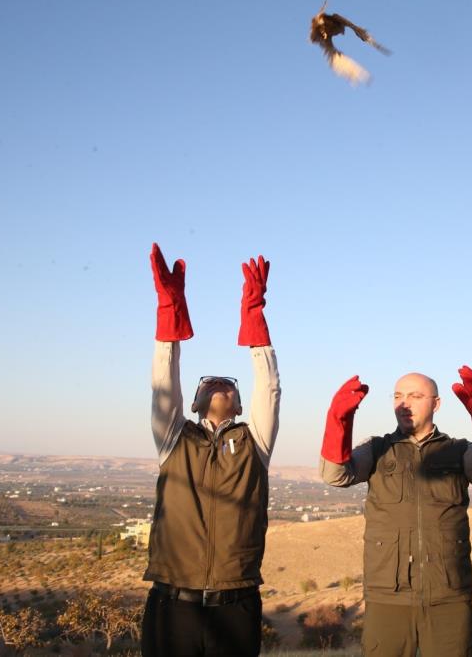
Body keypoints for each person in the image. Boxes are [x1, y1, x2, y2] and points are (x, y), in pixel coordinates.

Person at [141, 244, 280, 657]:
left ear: (239, 405)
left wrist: (255, 316)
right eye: (208, 384)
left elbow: (269, 388)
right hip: (171, 604)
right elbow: (163, 385)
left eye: (228, 384)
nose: (218, 384)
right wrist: (169, 313)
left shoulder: (255, 442)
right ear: (195, 400)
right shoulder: (173, 439)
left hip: (235, 605)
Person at [319, 366, 472, 657]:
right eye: (397, 396)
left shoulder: (458, 450)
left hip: (449, 593)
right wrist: (339, 421)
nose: (404, 403)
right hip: (388, 594)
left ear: (436, 403)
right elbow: (336, 475)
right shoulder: (377, 449)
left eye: (415, 395)